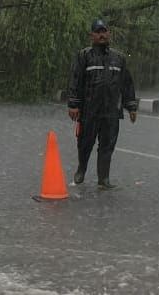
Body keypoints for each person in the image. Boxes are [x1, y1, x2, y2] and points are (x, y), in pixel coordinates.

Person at [67, 19, 137, 189]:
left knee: (107, 146)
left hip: (111, 111)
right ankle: (81, 169)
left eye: (104, 31)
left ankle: (103, 179)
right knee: (85, 143)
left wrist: (131, 106)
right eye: (98, 32)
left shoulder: (119, 58)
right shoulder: (84, 55)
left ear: (109, 34)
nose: (102, 35)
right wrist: (74, 104)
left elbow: (126, 83)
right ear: (92, 35)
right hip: (89, 110)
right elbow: (75, 80)